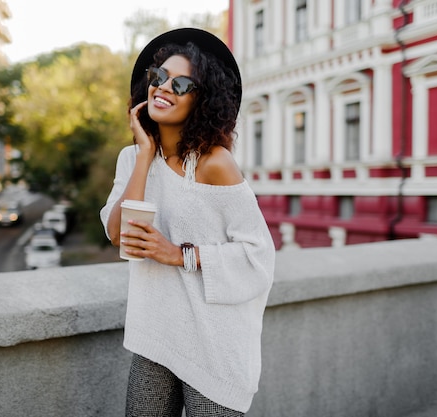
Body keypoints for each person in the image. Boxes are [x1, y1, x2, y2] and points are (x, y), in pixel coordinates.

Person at [100, 28, 275, 416]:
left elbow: (259, 258)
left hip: (215, 342)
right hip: (156, 334)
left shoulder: (216, 164)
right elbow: (116, 233)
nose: (164, 88)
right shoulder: (131, 160)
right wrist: (145, 154)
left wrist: (179, 255)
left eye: (181, 83)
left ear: (203, 99)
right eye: (159, 78)